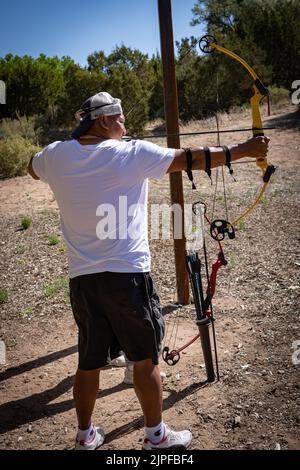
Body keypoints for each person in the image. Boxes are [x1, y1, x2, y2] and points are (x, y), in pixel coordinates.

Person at [27, 91, 269, 450]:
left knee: (89, 362)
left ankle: (85, 436)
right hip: (127, 277)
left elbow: (31, 167)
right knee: (144, 360)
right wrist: (245, 151)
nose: (125, 126)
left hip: (83, 282)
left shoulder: (56, 155)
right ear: (104, 121)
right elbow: (192, 158)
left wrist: (68, 161)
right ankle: (157, 437)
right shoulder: (132, 154)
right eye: (120, 119)